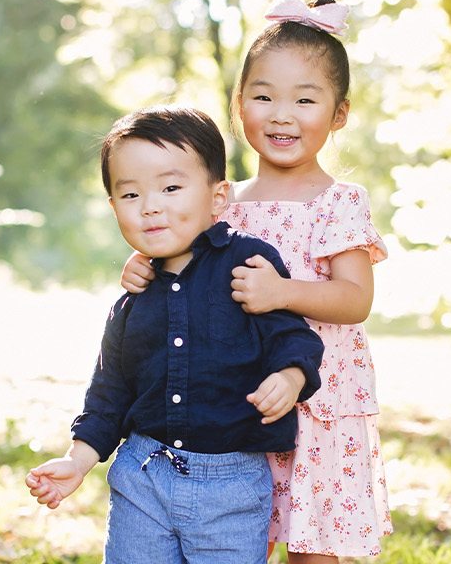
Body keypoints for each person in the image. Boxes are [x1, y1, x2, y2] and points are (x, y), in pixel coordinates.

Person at [120, 0, 392, 562]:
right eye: (263, 97)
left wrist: (282, 292)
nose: (281, 114)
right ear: (238, 104)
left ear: (339, 114)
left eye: (304, 99)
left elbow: (355, 297)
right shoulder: (222, 202)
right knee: (237, 534)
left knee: (313, 542)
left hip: (318, 400)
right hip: (236, 395)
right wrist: (144, 265)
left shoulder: (339, 202)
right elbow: (181, 265)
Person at [26, 106, 324, 563]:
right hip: (143, 478)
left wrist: (290, 377)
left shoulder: (247, 266)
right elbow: (109, 396)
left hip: (232, 484)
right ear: (114, 208)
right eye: (130, 194)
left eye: (170, 188)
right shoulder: (132, 301)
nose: (150, 206)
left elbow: (294, 337)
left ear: (217, 197)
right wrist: (77, 460)